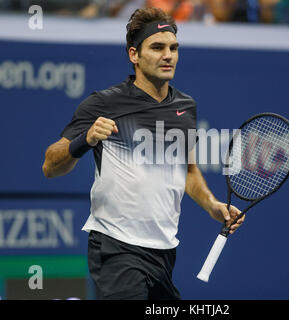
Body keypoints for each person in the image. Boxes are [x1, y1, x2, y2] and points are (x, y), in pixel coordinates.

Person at [42, 7, 245, 300]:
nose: (168, 55)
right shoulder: (104, 103)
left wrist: (213, 206)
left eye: (174, 48)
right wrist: (84, 140)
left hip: (163, 250)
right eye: (158, 47)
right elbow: (50, 165)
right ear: (134, 55)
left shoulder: (186, 107)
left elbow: (187, 171)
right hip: (115, 247)